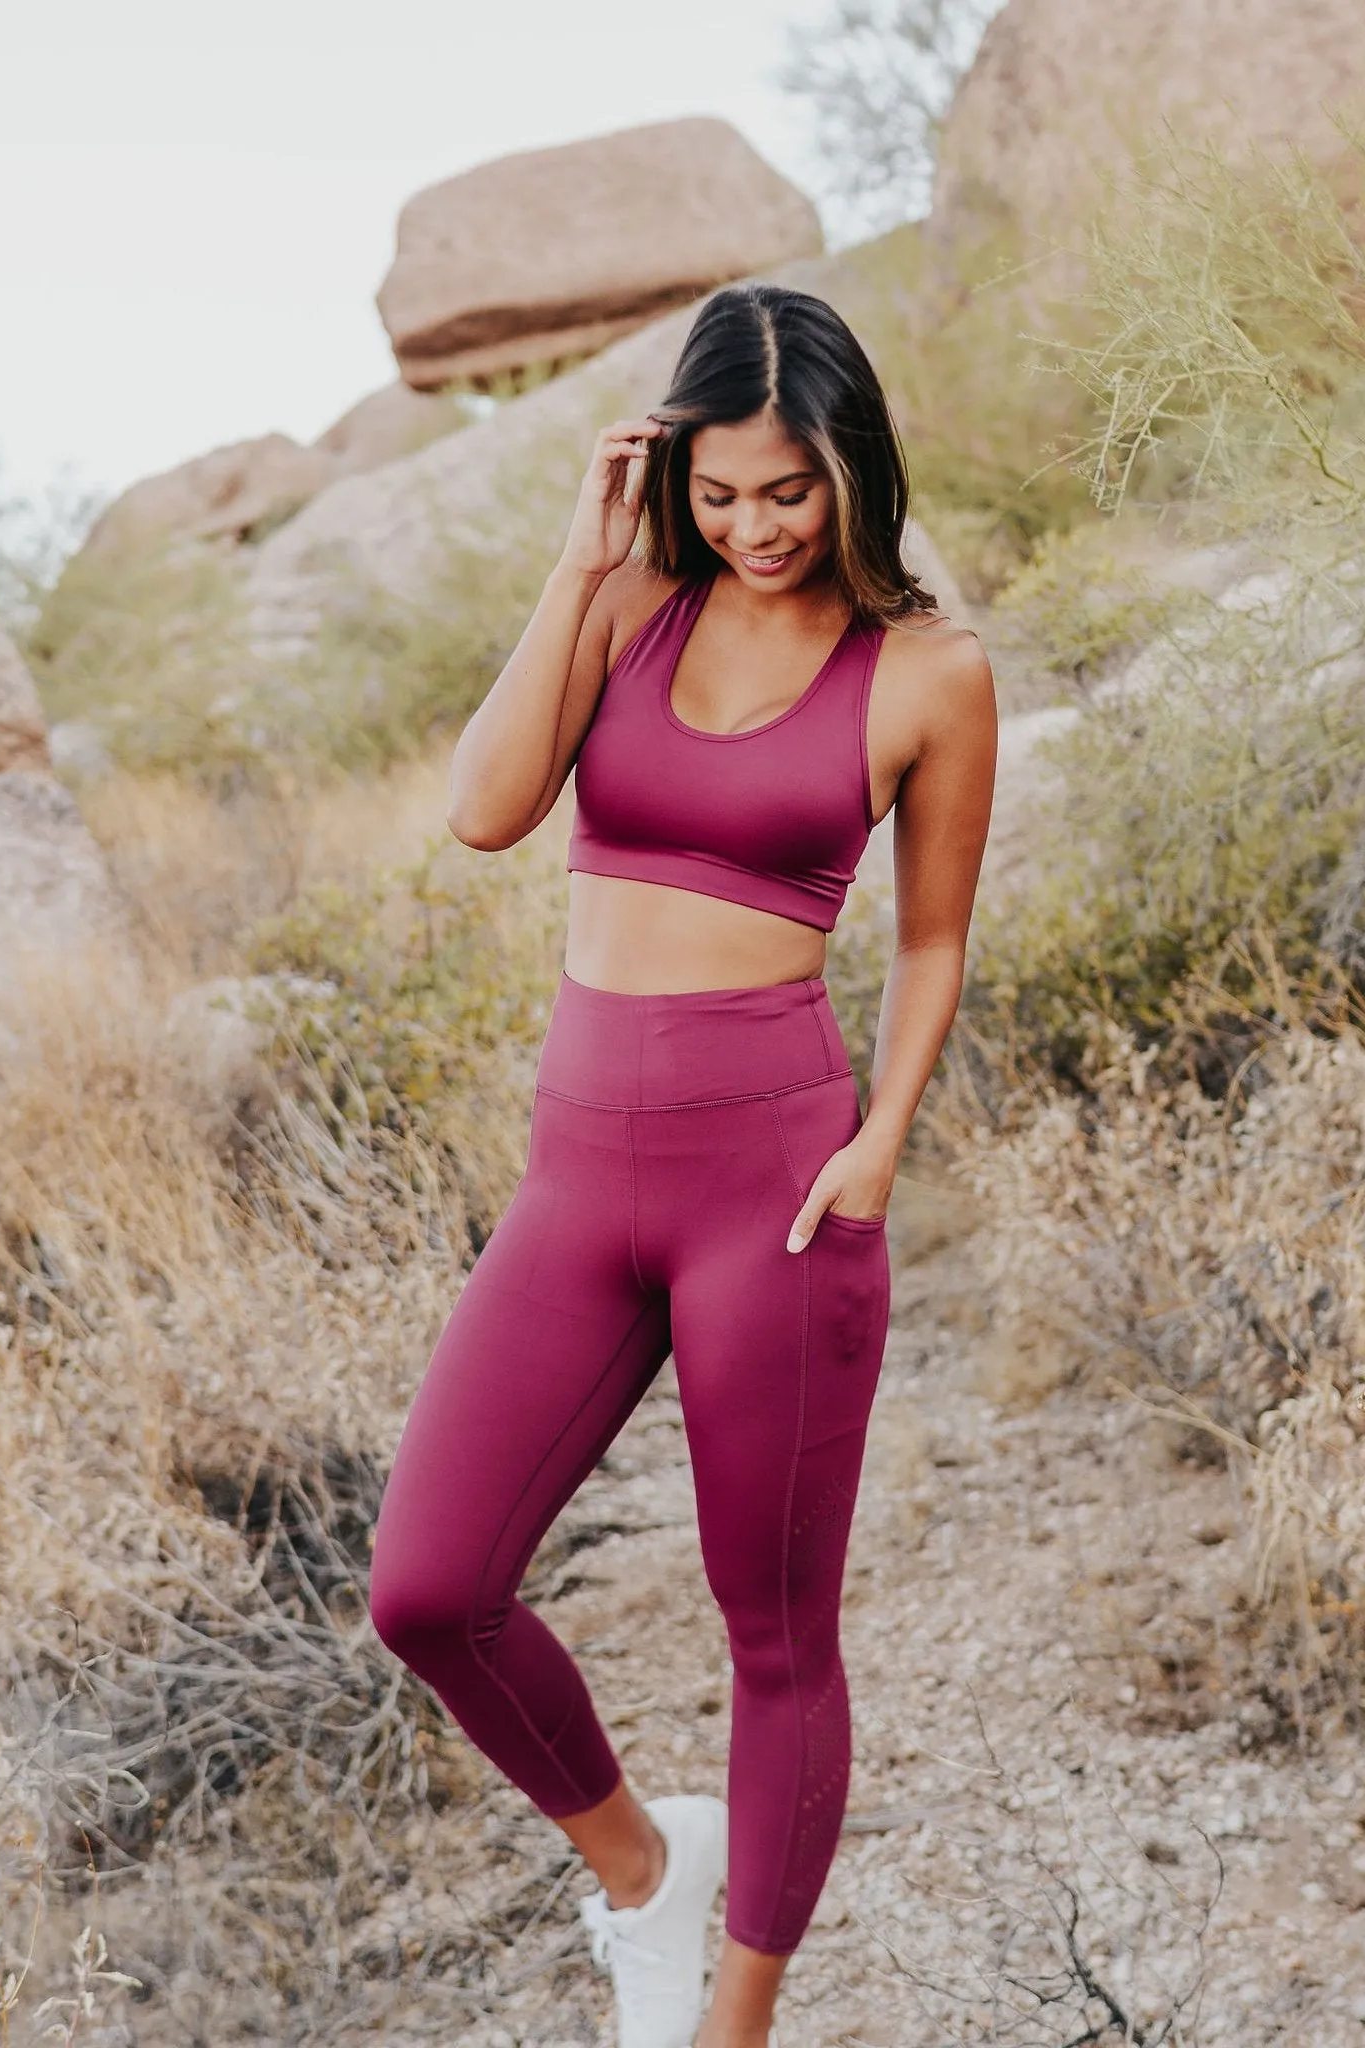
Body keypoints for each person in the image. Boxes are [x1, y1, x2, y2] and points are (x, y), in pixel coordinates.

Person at [367, 281, 996, 2048]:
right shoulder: (635, 601)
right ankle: (647, 1878)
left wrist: (882, 1141)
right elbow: (487, 810)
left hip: (777, 1191)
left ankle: (734, 2022)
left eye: (789, 493)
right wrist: (578, 566)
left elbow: (934, 941)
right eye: (719, 495)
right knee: (427, 1586)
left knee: (774, 1632)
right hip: (575, 1184)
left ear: (853, 469)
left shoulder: (930, 673)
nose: (756, 528)